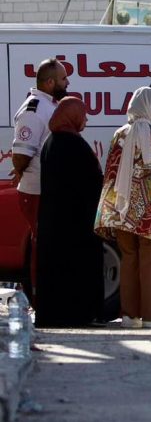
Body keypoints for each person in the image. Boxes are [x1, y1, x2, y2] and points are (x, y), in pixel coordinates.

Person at [95, 86, 151, 329]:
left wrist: (108, 208)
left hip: (121, 208)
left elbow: (110, 171)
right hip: (147, 209)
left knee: (129, 259)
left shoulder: (119, 134)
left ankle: (130, 316)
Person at [35, 97, 104, 328]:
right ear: (72, 116)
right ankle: (78, 314)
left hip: (55, 222)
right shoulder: (73, 145)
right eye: (82, 114)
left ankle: (55, 314)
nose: (85, 118)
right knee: (75, 268)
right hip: (75, 223)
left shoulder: (52, 142)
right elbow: (90, 183)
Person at [10, 57, 69, 302]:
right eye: (64, 78)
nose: (68, 82)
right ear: (49, 82)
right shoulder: (35, 108)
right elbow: (21, 155)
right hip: (37, 190)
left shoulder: (48, 104)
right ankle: (40, 295)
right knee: (42, 245)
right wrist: (22, 170)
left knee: (50, 244)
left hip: (46, 189)